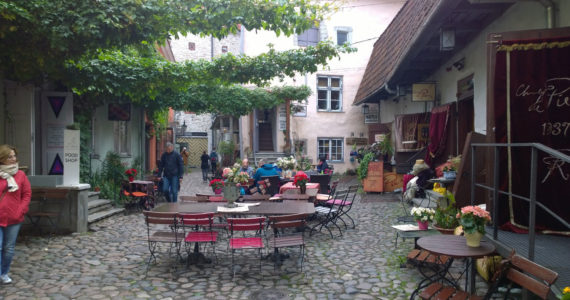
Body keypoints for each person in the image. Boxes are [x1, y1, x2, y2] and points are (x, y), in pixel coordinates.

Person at [0, 145, 31, 284]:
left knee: (8, 248)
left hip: (14, 217)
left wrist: (21, 209)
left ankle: (4, 272)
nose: (14, 159)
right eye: (9, 156)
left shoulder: (20, 175)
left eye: (14, 156)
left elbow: (27, 194)